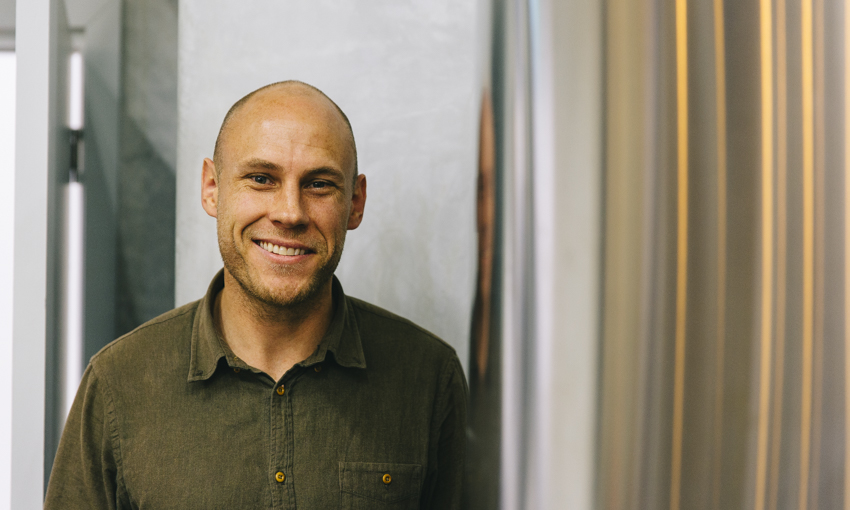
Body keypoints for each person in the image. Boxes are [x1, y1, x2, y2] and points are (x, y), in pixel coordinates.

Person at [44, 81, 468, 509]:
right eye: (261, 179)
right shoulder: (119, 383)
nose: (290, 212)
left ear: (355, 202)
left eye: (319, 184)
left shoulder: (429, 378)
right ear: (212, 188)